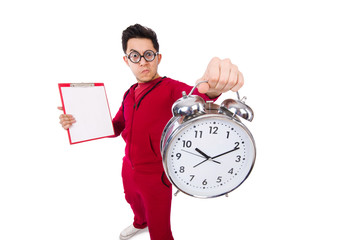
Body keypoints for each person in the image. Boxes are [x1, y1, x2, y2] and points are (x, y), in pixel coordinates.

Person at [59, 24, 244, 240]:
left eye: (148, 54)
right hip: (129, 167)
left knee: (160, 231)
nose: (143, 61)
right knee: (132, 200)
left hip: (157, 176)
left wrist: (213, 86)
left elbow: (201, 96)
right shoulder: (129, 94)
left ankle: (152, 227)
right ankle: (140, 223)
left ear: (158, 57)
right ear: (126, 61)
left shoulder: (171, 88)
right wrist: (78, 121)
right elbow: (116, 127)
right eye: (134, 56)